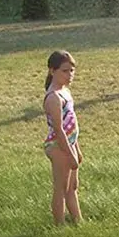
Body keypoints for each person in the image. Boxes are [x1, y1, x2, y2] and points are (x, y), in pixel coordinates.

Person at [43, 50, 82, 224]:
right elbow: (59, 130)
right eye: (65, 71)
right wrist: (70, 154)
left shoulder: (65, 91)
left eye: (72, 71)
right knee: (61, 188)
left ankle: (78, 221)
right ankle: (59, 225)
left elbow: (71, 125)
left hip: (69, 144)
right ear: (52, 71)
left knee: (72, 187)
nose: (70, 75)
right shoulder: (54, 97)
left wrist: (77, 148)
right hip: (58, 146)